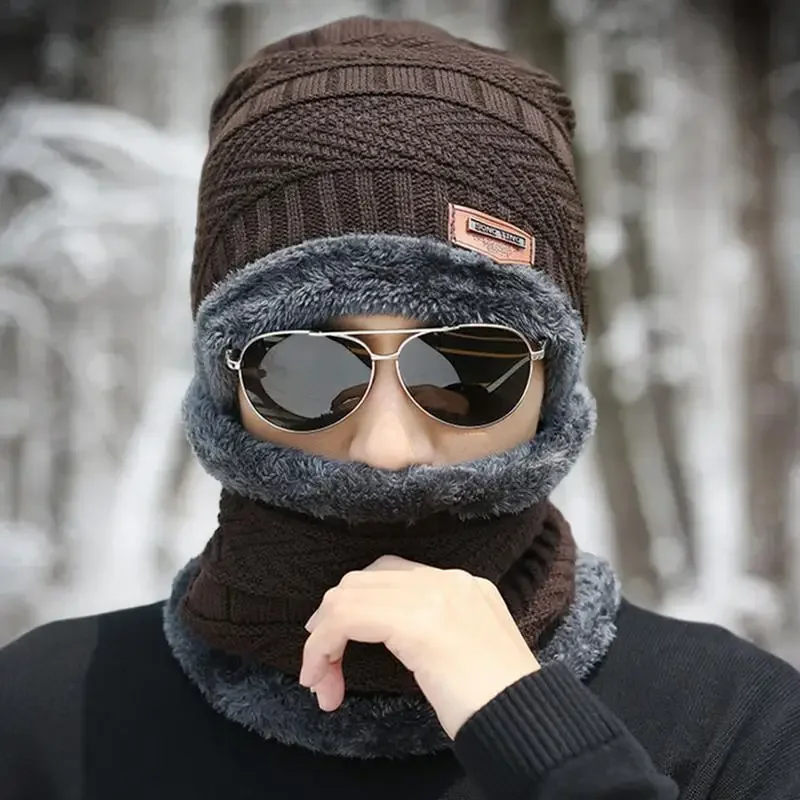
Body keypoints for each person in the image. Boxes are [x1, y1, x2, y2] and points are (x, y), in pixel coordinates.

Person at [0, 16, 798, 800]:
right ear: (227, 385)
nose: (386, 447)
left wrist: (543, 740)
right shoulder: (42, 720)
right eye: (305, 370)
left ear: (550, 384)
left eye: (466, 368)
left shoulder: (738, 727)